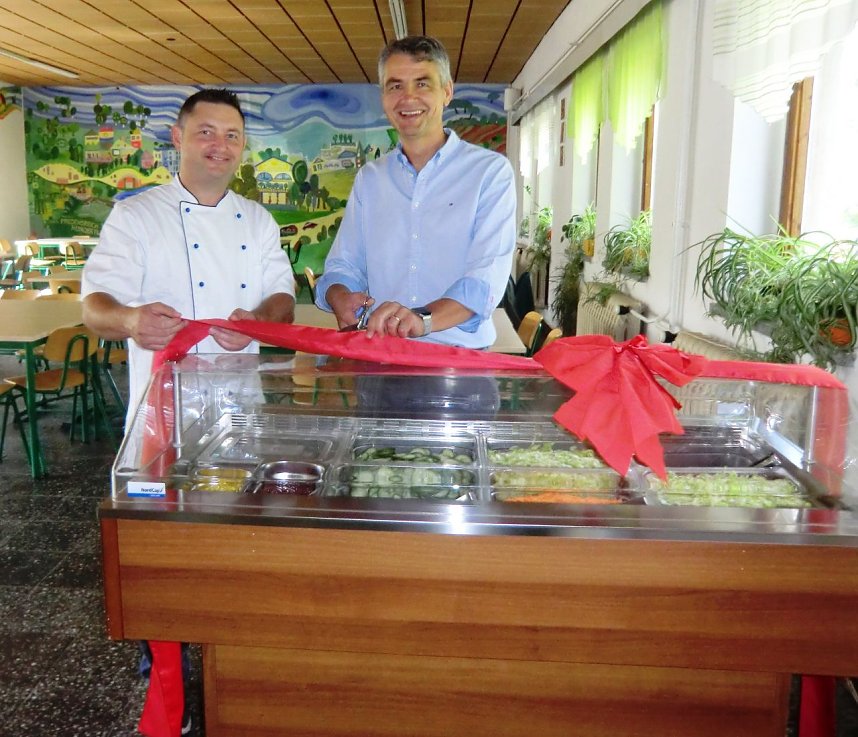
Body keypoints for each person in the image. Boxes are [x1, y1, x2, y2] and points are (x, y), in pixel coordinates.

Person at [82, 88, 296, 426]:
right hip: (162, 410)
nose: (220, 146)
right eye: (206, 132)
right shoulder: (135, 215)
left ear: (241, 146)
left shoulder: (258, 220)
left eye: (232, 136)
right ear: (178, 138)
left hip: (239, 405)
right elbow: (93, 306)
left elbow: (283, 301)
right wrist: (130, 320)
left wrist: (256, 322)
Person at [315, 35, 516, 349]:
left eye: (422, 84)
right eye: (395, 86)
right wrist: (339, 296)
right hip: (382, 354)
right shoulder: (370, 178)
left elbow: (485, 279)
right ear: (383, 97)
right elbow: (344, 265)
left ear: (447, 91)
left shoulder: (489, 173)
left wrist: (422, 319)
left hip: (460, 361)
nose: (408, 98)